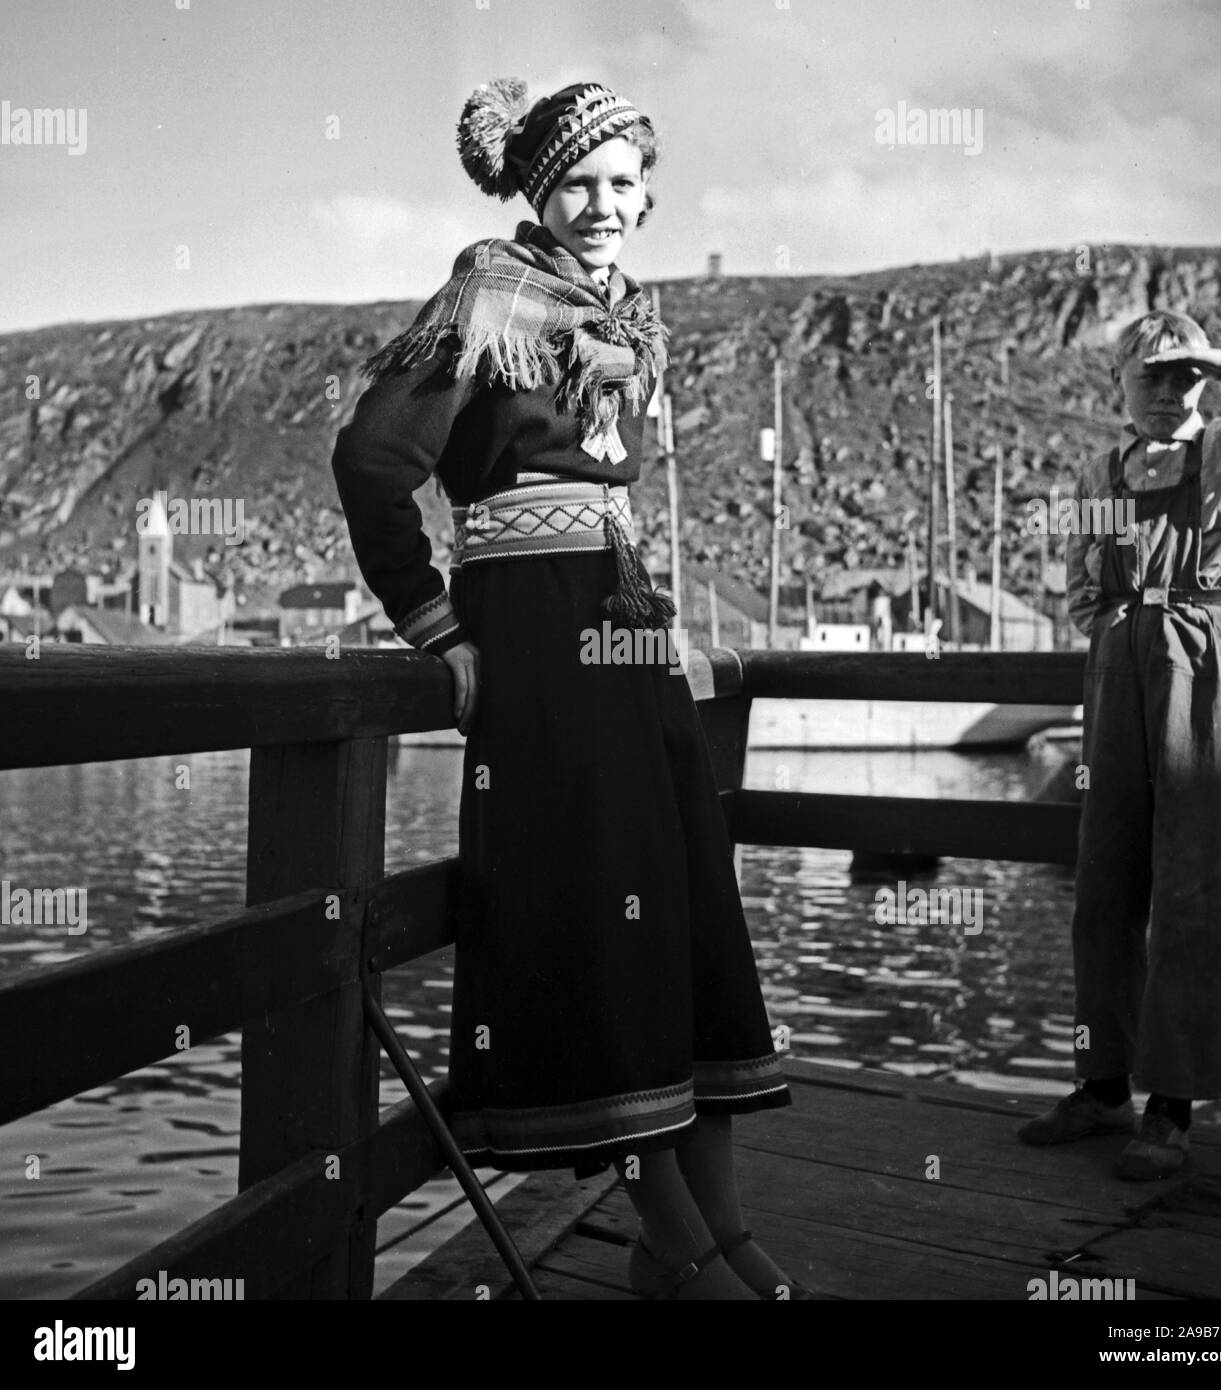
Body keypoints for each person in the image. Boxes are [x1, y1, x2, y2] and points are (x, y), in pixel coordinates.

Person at [332, 78, 793, 1298]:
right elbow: (372, 459)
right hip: (533, 636)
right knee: (594, 918)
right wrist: (436, 624)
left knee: (684, 895)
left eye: (625, 184)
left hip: (626, 628)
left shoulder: (623, 313)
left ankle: (718, 1229)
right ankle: (680, 1248)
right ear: (537, 188)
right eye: (580, 182)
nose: (605, 206)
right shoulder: (486, 296)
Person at [1018, 310, 1221, 1179]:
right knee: (1105, 882)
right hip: (1120, 666)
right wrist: (1114, 644)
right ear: (1120, 386)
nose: (1168, 393)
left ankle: (1169, 1107)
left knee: (1195, 887)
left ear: (1211, 383)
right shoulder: (1101, 468)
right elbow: (1084, 586)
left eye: (1185, 376)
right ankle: (1102, 1088)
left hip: (1209, 656)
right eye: (1151, 376)